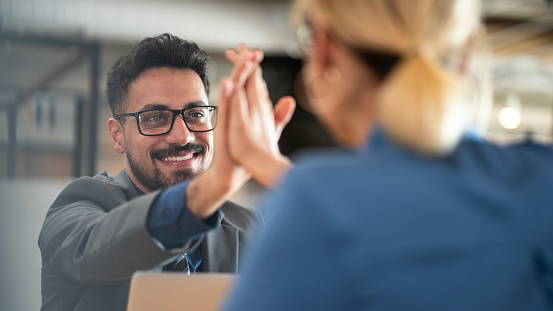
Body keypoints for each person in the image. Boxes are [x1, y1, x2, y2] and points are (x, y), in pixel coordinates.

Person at [220, 0, 553, 310]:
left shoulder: (315, 202)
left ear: (322, 48)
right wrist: (269, 165)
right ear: (467, 54)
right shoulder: (541, 178)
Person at [37, 33, 294, 311]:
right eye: (156, 118)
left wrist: (280, 174)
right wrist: (216, 183)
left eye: (195, 114)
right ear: (117, 136)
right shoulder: (78, 206)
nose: (182, 137)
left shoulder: (248, 226)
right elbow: (99, 250)